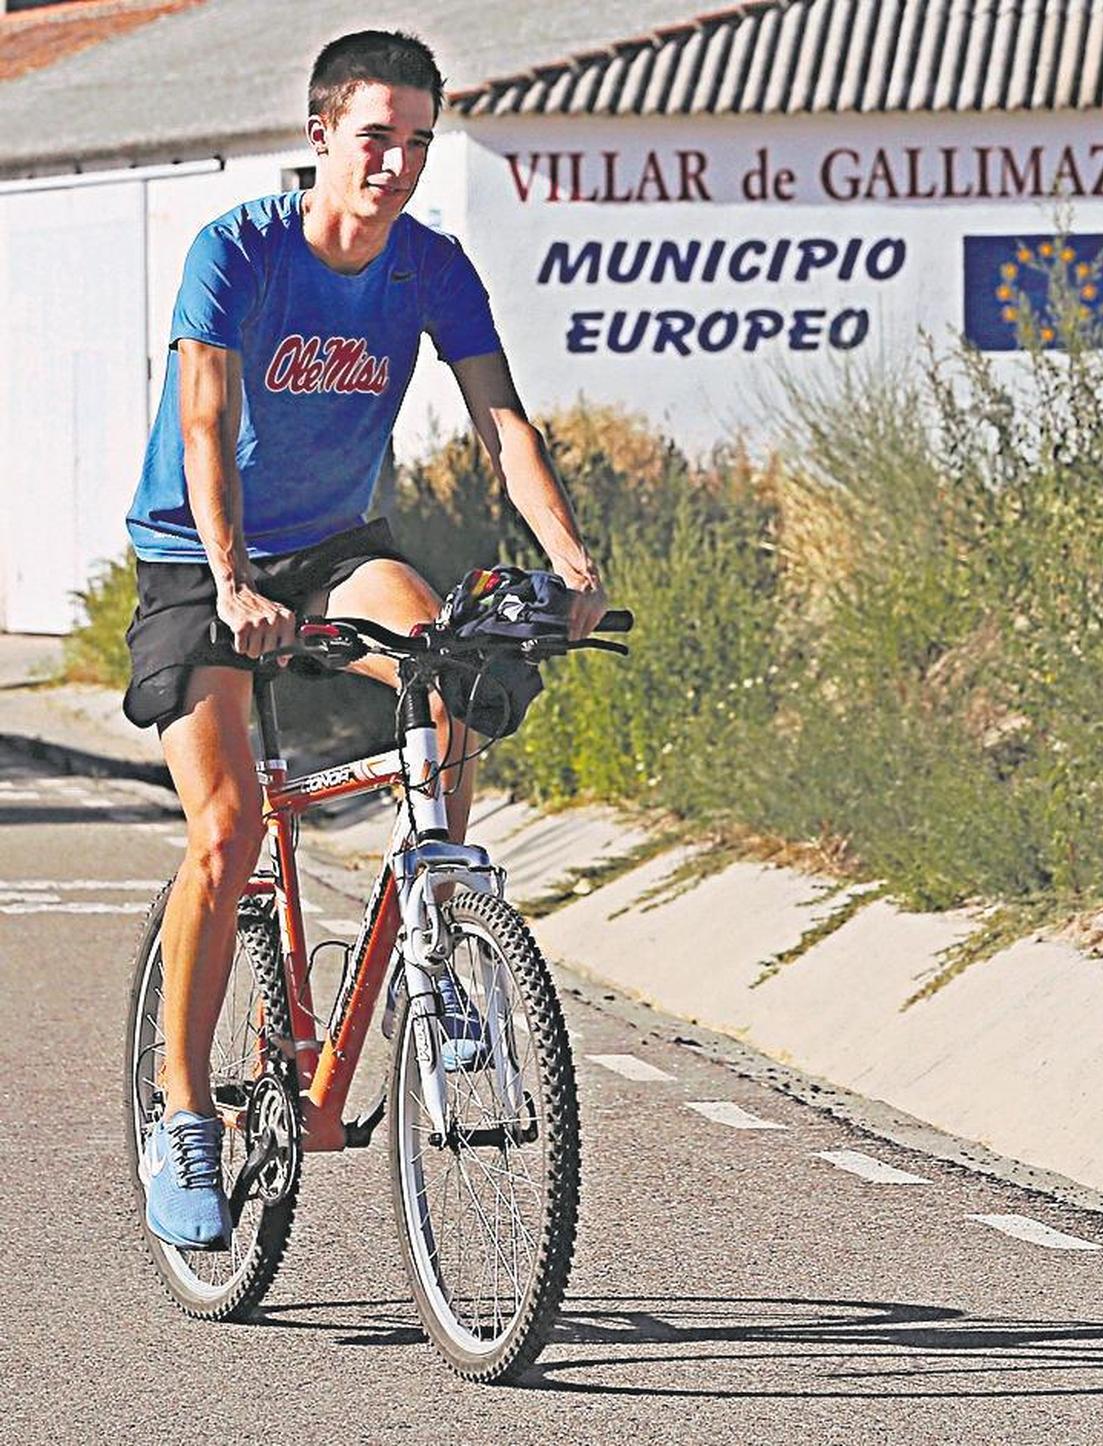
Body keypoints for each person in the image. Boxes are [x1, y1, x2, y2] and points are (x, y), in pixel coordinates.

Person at [124, 29, 607, 1251]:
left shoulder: (429, 268)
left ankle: (441, 923)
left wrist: (571, 562)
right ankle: (185, 1115)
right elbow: (204, 413)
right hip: (202, 553)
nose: (396, 162)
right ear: (322, 132)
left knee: (454, 654)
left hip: (339, 542)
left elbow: (503, 421)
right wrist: (230, 581)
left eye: (418, 142)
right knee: (229, 829)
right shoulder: (240, 250)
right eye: (376, 136)